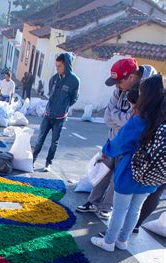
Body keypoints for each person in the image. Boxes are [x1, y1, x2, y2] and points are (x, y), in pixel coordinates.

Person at [91, 75, 165, 252]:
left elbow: (120, 143)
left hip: (131, 170)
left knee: (120, 209)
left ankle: (108, 242)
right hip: (152, 176)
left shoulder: (141, 119)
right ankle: (122, 241)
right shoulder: (162, 119)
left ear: (147, 95)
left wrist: (106, 150)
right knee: (135, 209)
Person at [77, 59, 157, 219]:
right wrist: (121, 118)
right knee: (103, 170)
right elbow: (108, 117)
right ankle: (93, 202)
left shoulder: (146, 92)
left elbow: (133, 123)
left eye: (119, 82)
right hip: (113, 139)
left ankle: (106, 207)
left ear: (132, 78)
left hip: (130, 145)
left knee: (118, 177)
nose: (116, 86)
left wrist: (117, 117)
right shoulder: (120, 90)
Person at [32, 53, 80, 172]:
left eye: (59, 66)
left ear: (67, 65)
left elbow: (74, 98)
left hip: (60, 118)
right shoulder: (54, 79)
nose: (57, 68)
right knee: (40, 139)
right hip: (48, 115)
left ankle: (48, 163)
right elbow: (50, 94)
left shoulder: (74, 81)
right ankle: (32, 160)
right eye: (56, 66)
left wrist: (64, 107)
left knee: (54, 142)